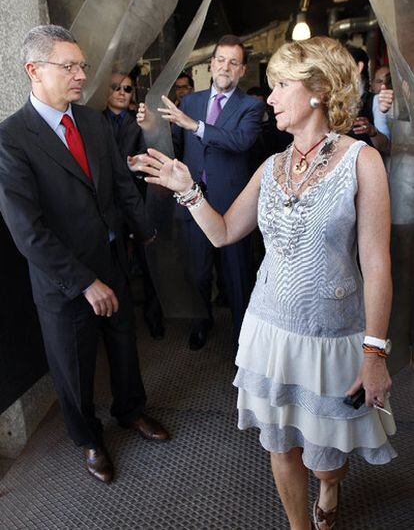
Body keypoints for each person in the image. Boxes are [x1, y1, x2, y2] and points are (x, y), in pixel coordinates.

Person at [135, 36, 396, 529]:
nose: (268, 97)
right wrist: (187, 188)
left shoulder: (363, 162)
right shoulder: (271, 167)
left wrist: (374, 352)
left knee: (326, 458)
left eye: (279, 86)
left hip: (331, 337)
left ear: (318, 89)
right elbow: (225, 233)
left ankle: (329, 488)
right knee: (280, 446)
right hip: (269, 332)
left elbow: (377, 263)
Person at [0, 25, 169, 485]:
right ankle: (90, 439)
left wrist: (145, 234)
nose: (80, 75)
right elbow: (27, 232)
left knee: (123, 344)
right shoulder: (11, 138)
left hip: (112, 260)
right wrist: (83, 283)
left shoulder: (92, 122)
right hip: (63, 280)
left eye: (82, 66)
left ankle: (131, 411)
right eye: (69, 66)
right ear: (34, 70)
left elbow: (119, 187)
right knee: (73, 366)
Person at [131, 35, 264, 351]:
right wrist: (151, 127)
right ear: (211, 63)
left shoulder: (251, 106)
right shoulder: (189, 102)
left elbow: (240, 142)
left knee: (237, 278)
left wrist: (196, 126)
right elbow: (174, 145)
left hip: (234, 209)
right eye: (220, 59)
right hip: (192, 205)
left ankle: (243, 341)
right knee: (198, 273)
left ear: (242, 70)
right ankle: (202, 322)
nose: (225, 67)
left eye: (233, 62)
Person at [104, 71, 165, 340]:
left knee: (149, 262)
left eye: (127, 89)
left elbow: (147, 156)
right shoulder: (91, 121)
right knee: (112, 266)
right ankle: (117, 322)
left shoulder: (139, 124)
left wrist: (136, 166)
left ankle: (154, 316)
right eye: (115, 87)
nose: (121, 92)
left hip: (136, 200)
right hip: (104, 205)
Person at [346, 46, 393, 154]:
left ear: (359, 67)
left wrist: (372, 131)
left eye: (342, 65)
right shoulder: (334, 101)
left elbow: (385, 146)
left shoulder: (375, 101)